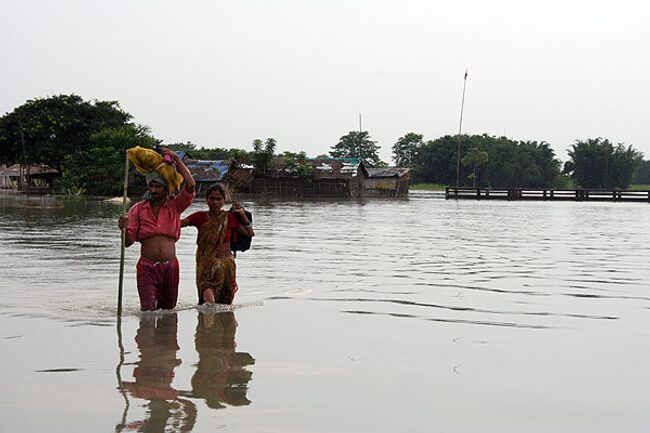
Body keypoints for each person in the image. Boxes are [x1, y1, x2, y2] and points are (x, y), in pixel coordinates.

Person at [117, 148, 195, 311]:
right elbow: (128, 243)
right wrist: (123, 230)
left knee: (169, 312)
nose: (153, 190)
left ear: (167, 189)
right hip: (147, 267)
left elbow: (190, 185)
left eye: (158, 186)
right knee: (147, 311)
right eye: (151, 186)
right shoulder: (138, 209)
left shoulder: (175, 206)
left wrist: (176, 158)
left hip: (170, 267)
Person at [181, 183, 254, 305]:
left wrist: (241, 214)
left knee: (226, 302)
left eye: (219, 199)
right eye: (212, 198)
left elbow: (249, 233)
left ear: (224, 201)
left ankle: (219, 322)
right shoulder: (199, 217)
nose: (215, 202)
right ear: (207, 200)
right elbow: (178, 224)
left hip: (227, 264)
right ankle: (209, 320)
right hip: (207, 264)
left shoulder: (229, 218)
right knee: (207, 293)